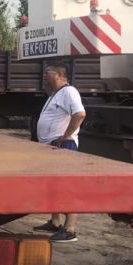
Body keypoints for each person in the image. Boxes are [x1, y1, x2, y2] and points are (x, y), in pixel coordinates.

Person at [32, 63, 87, 243]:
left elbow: (79, 114)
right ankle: (55, 222)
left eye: (48, 73)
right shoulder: (56, 94)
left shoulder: (69, 91)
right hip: (53, 146)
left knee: (67, 187)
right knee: (53, 186)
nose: (44, 76)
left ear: (59, 74)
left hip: (63, 146)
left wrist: (65, 136)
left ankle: (70, 229)